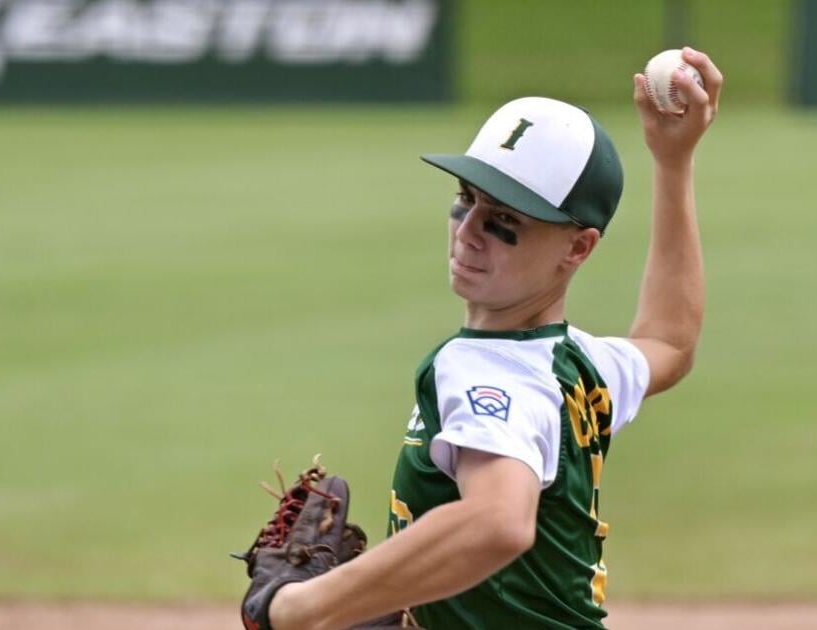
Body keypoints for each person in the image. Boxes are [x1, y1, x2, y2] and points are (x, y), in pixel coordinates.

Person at [264, 47, 722, 629]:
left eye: (506, 221)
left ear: (577, 248)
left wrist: (301, 609)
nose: (470, 232)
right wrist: (673, 163)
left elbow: (499, 521)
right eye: (465, 199)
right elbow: (670, 341)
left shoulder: (484, 370)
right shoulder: (575, 361)